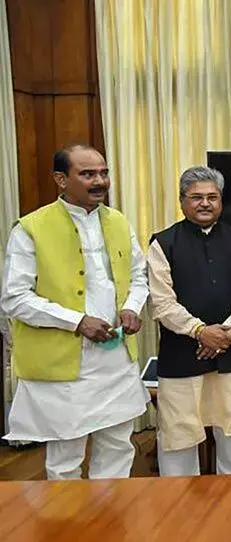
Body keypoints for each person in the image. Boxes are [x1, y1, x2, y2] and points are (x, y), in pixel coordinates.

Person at [1, 144, 149, 479]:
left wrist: (130, 307)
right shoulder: (30, 228)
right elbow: (14, 298)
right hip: (64, 362)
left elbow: (139, 275)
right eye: (87, 174)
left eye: (103, 173)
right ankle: (69, 529)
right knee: (66, 453)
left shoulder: (118, 221)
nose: (100, 181)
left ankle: (110, 523)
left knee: (117, 445)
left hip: (115, 359)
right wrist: (77, 322)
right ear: (61, 179)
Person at [147, 166, 231, 476]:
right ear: (182, 201)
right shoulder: (163, 243)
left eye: (212, 197)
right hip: (182, 355)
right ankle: (179, 511)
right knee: (178, 438)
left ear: (221, 201)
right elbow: (161, 302)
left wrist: (225, 334)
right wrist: (199, 331)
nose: (205, 203)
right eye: (196, 197)